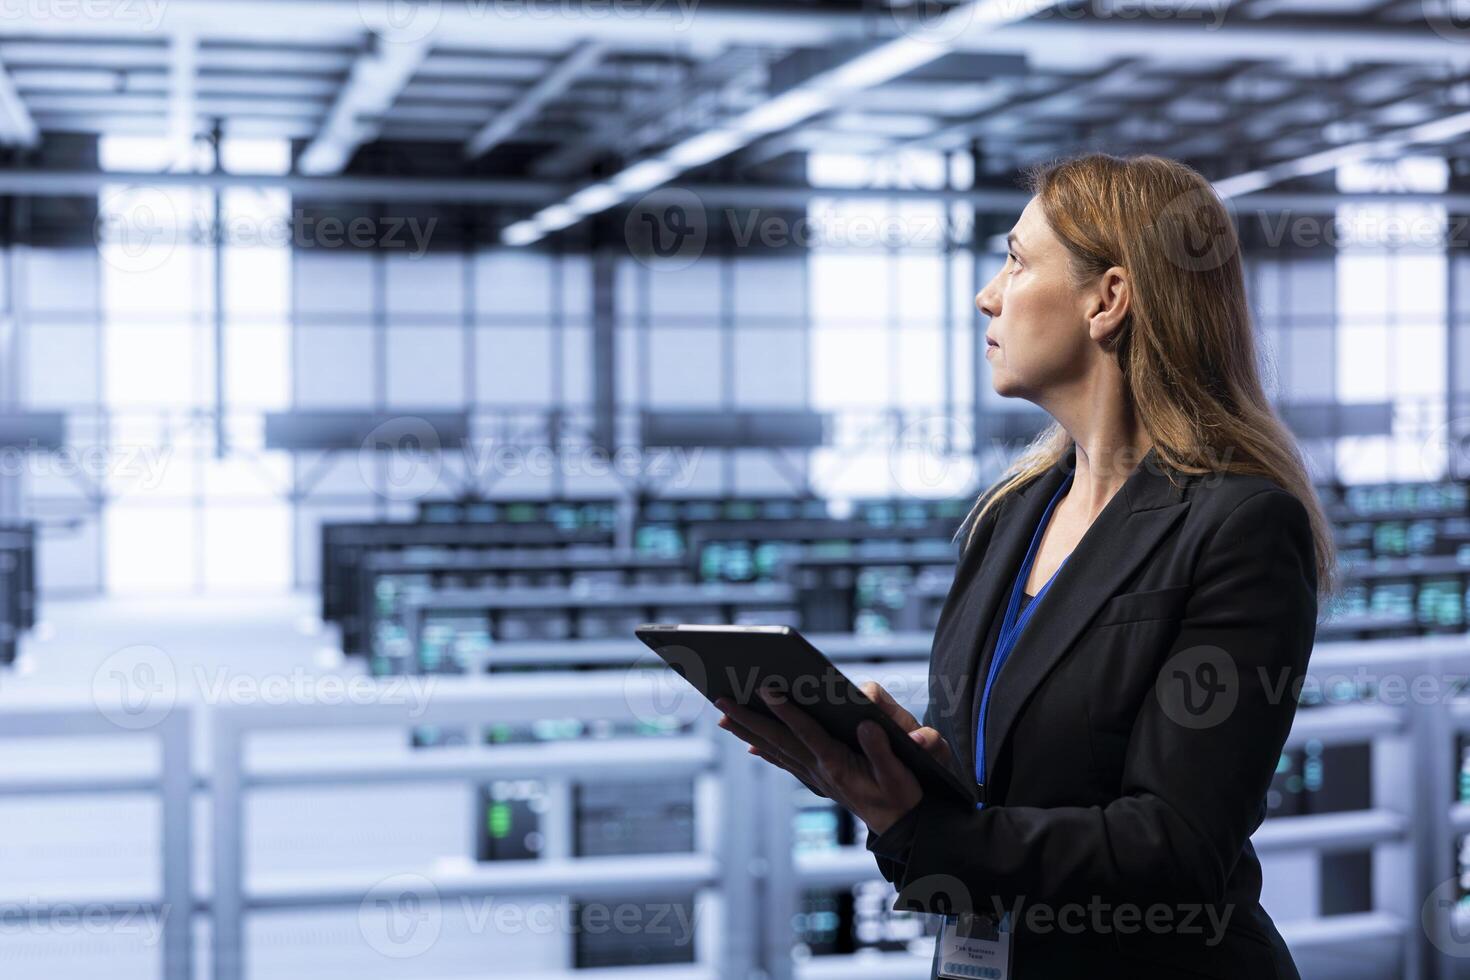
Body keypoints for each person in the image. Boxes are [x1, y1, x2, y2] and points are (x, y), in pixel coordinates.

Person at [715, 152, 1336, 979]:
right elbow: (1002, 788)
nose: (988, 294)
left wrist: (928, 831)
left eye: (1015, 259)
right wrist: (892, 780)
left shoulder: (1239, 525)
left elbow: (1176, 847)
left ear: (1107, 299)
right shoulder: (1010, 514)